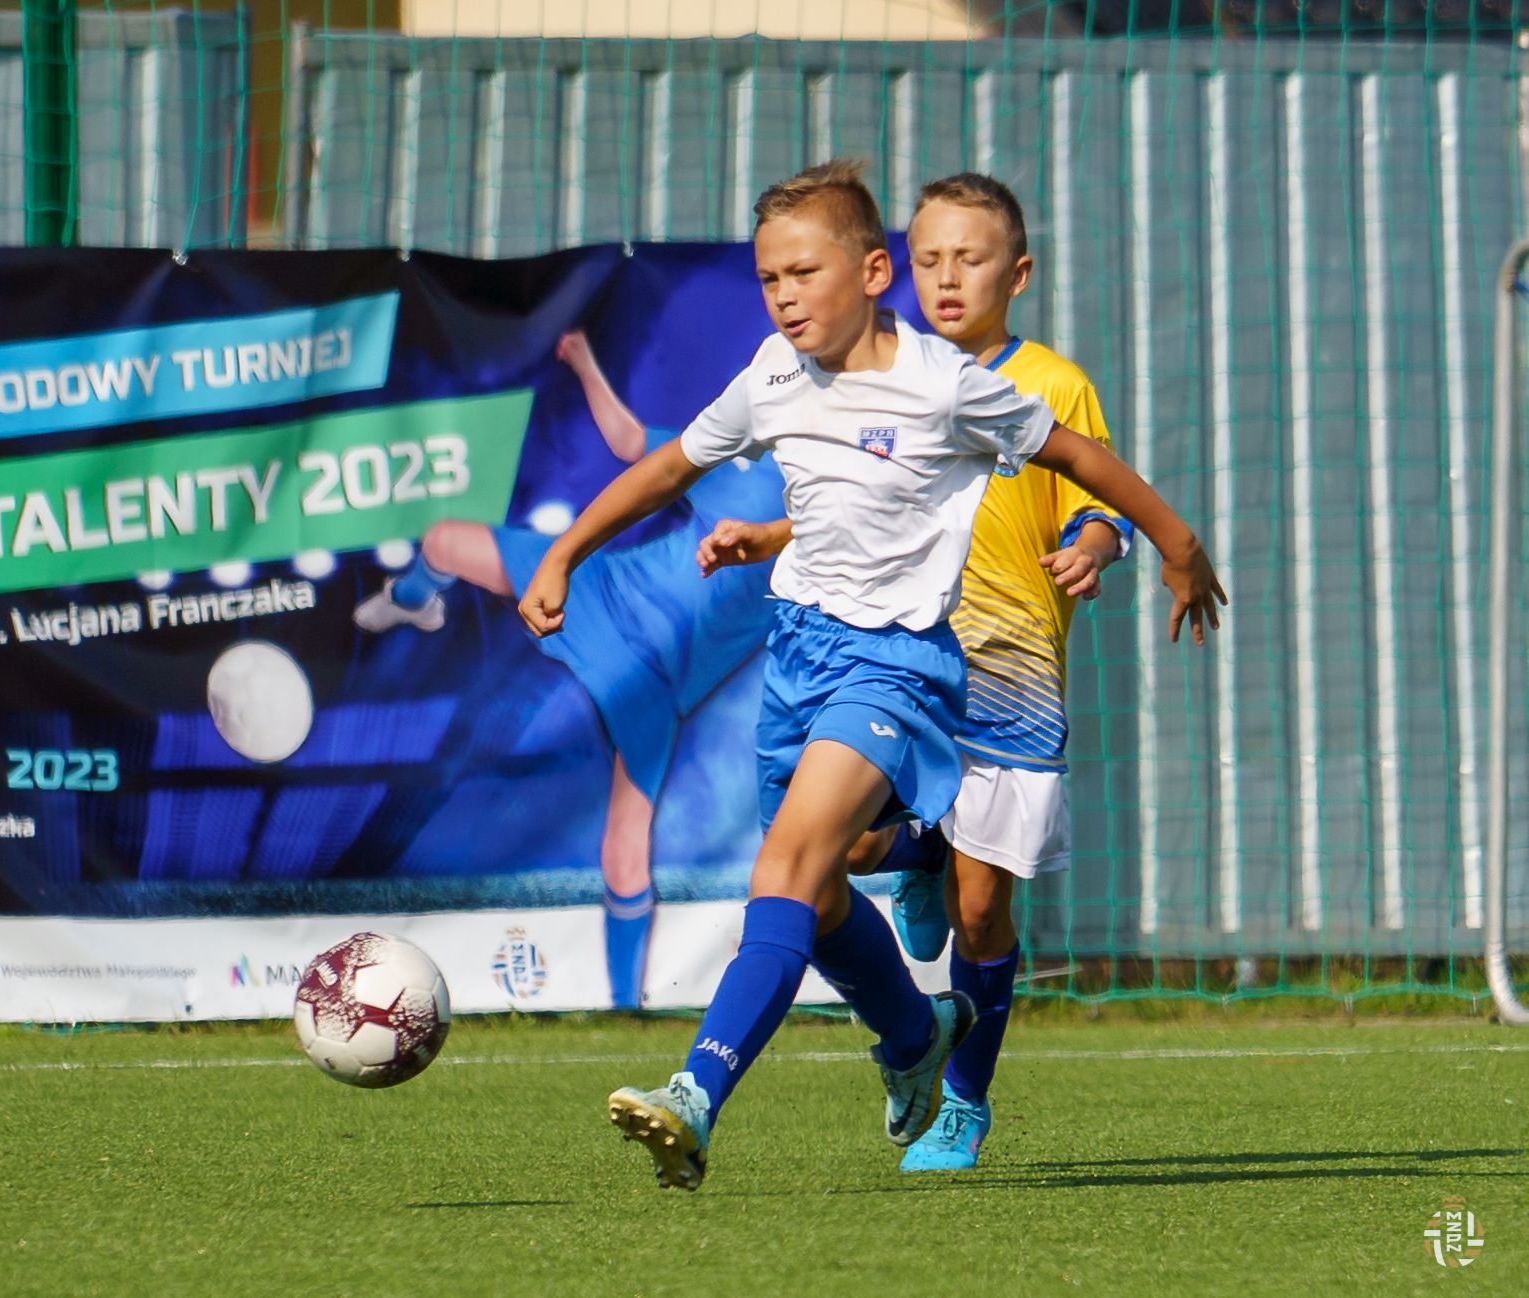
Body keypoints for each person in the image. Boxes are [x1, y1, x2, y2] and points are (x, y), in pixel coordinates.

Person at [518, 159, 1224, 1192]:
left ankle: (696, 1093)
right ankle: (912, 1034)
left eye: (804, 272)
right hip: (799, 655)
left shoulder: (945, 384)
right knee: (820, 887)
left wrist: (1172, 539)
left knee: (789, 865)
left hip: (899, 662)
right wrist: (564, 553)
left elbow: (1078, 457)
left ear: (870, 273)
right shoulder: (774, 374)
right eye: (769, 278)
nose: (784, 295)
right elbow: (672, 466)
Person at [699, 172, 1136, 1172]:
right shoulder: (866, 371)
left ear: (1016, 275)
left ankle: (964, 1100)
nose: (946, 278)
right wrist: (769, 534)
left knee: (981, 910)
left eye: (969, 260)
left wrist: (1096, 544)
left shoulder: (1049, 384)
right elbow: (853, 505)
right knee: (840, 853)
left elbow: (1097, 498)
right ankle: (919, 867)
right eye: (929, 258)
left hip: (1008, 672)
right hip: (890, 662)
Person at [353, 330, 788, 1008]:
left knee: (625, 848)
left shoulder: (837, 518)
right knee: (441, 540)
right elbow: (629, 442)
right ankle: (411, 601)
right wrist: (586, 361)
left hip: (654, 682)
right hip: (602, 588)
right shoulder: (734, 457)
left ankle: (623, 1009)